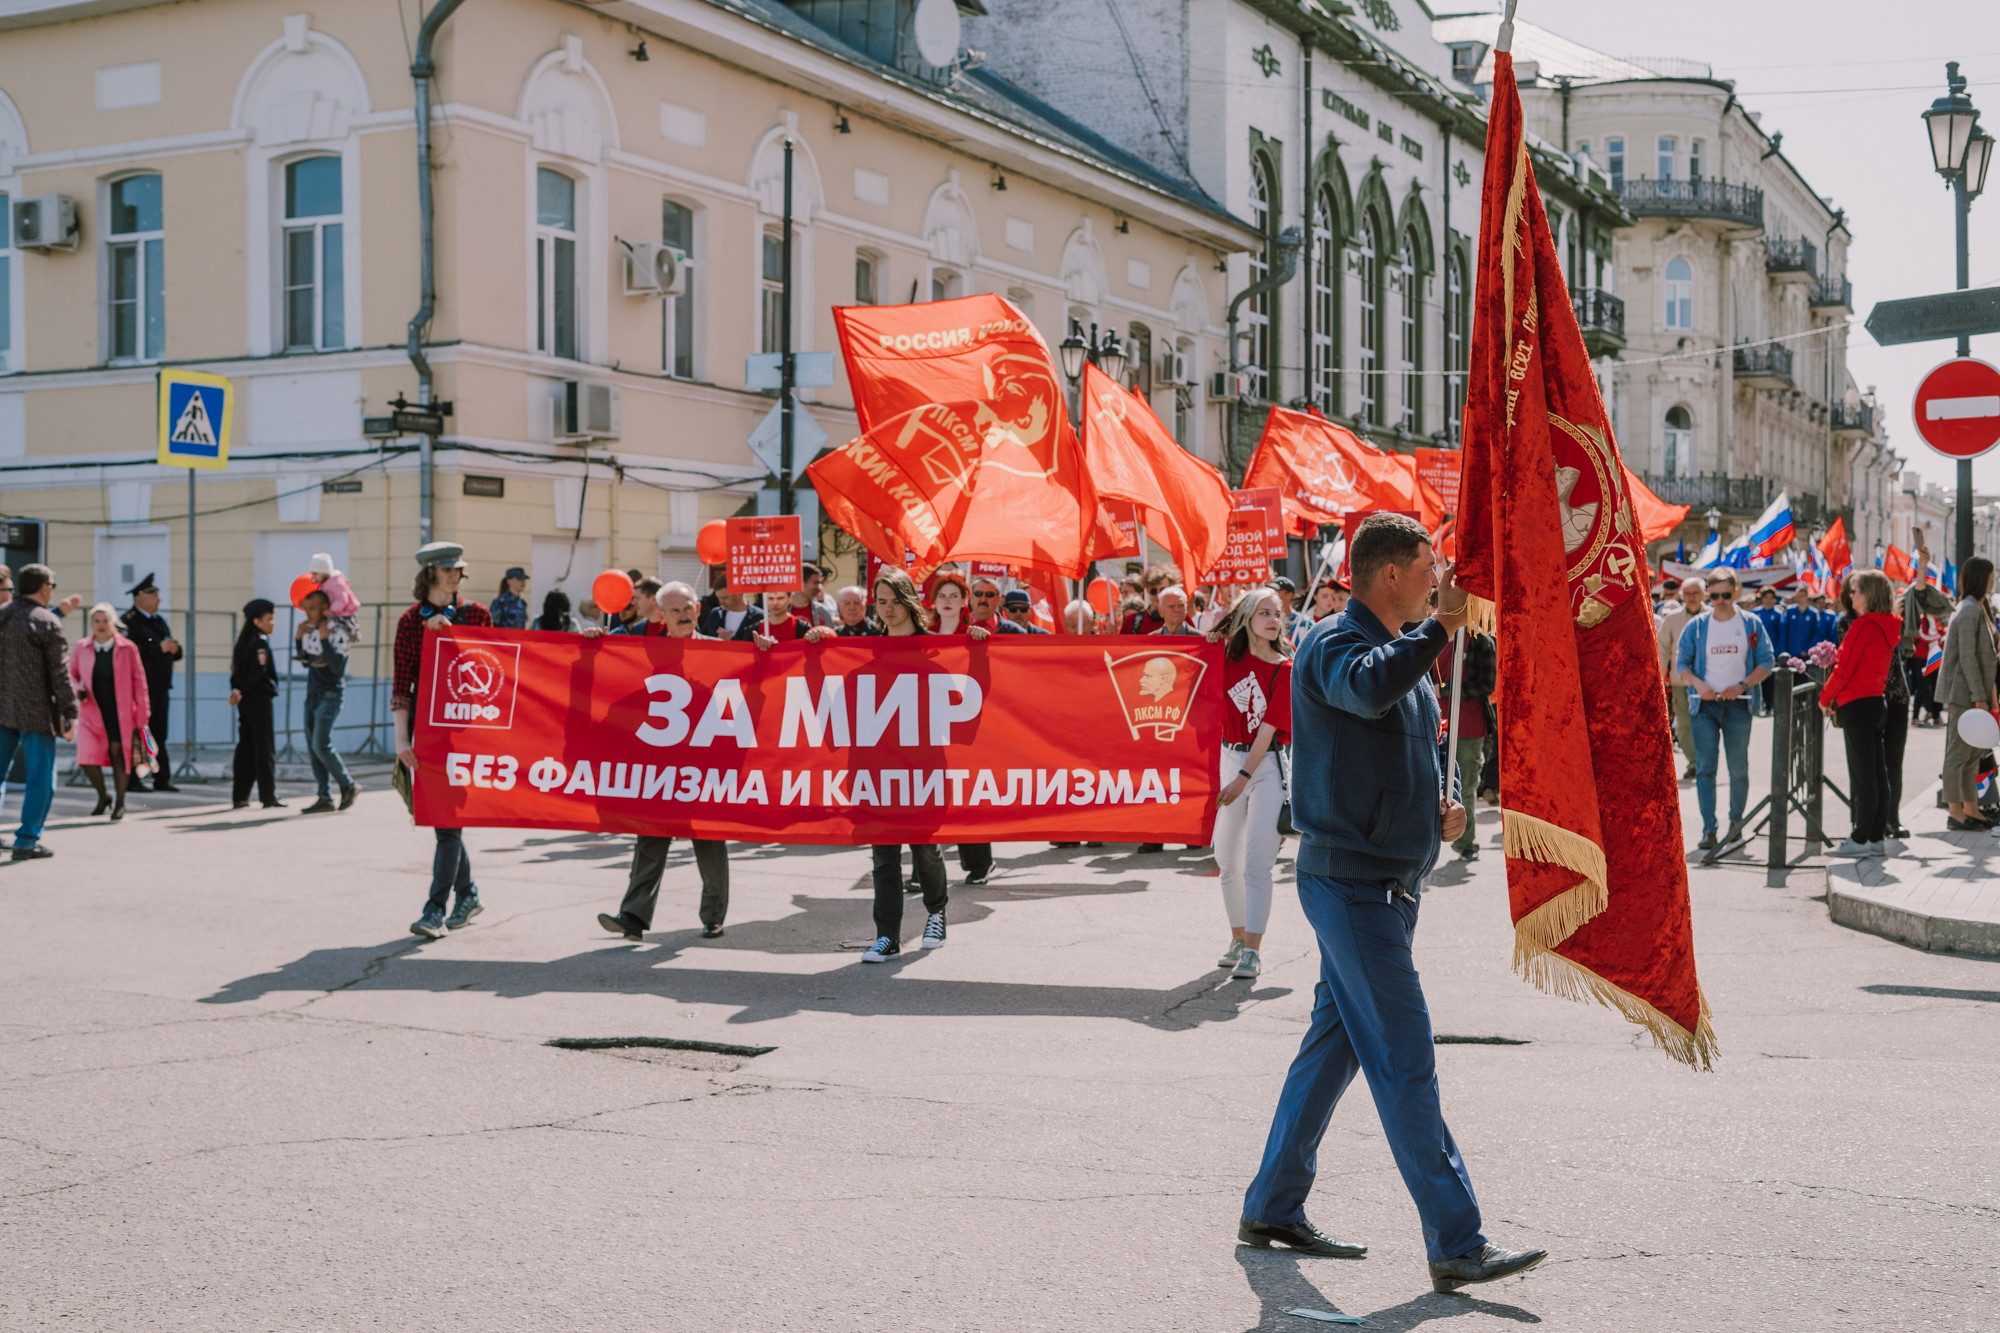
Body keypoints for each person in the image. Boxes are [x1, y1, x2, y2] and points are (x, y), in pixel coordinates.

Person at [1240, 514, 1544, 1293]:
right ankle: (1457, 1238)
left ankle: (1272, 1203)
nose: (1440, 575)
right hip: (1352, 885)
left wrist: (1438, 810)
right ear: (1390, 576)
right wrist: (1441, 627)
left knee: (1330, 1049)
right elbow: (1370, 689)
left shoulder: (1407, 656)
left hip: (1386, 882)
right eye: (1428, 565)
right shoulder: (1336, 646)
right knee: (1406, 1056)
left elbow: (1395, 750)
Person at [597, 581, 733, 941]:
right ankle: (633, 916)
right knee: (650, 838)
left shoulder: (723, 653)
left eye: (688, 607)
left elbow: (752, 687)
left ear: (698, 610)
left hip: (704, 763)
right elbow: (616, 685)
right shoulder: (645, 652)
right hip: (659, 764)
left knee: (708, 840)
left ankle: (713, 916)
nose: (684, 614)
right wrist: (594, 644)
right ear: (661, 616)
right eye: (675, 610)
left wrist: (765, 650)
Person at [392, 541, 494, 939]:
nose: (456, 574)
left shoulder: (476, 614)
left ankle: (435, 909)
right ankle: (467, 894)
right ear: (429, 573)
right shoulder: (407, 621)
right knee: (444, 820)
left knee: (447, 820)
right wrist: (403, 739)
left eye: (458, 569)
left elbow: (489, 664)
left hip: (466, 726)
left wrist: (451, 636)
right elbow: (402, 681)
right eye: (447, 568)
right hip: (426, 727)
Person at [855, 569, 949, 961]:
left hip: (924, 765)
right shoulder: (865, 649)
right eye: (881, 601)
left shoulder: (939, 648)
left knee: (925, 849)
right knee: (884, 856)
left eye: (894, 600)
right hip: (878, 767)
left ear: (908, 600)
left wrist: (978, 645)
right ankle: (887, 935)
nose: (888, 609)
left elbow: (965, 688)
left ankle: (937, 913)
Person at [1210, 586, 1291, 981]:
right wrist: (1215, 633)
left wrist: (1243, 777)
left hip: (1265, 766)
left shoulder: (1285, 668)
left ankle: (1253, 951)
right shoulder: (1226, 658)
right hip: (1229, 757)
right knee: (1226, 859)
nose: (1274, 620)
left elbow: (1267, 731)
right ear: (1246, 618)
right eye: (1264, 612)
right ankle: (1237, 938)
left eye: (1277, 613)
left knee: (1257, 863)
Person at [1673, 568, 1774, 852]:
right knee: (1706, 769)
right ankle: (1709, 828)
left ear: (1735, 592)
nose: (1719, 600)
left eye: (1725, 595)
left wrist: (1742, 685)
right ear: (1708, 594)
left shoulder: (1750, 623)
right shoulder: (1697, 626)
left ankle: (1736, 825)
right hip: (1704, 706)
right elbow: (1682, 664)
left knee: (1738, 769)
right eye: (1714, 595)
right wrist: (1698, 684)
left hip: (1738, 707)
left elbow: (1767, 661)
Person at [1821, 570, 1904, 856]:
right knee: (1878, 773)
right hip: (1875, 701)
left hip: (1857, 703)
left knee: (1863, 775)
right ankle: (1875, 837)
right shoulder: (1889, 624)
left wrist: (1825, 697)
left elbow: (1843, 668)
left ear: (1869, 594)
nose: (1850, 594)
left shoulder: (1863, 625)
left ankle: (1858, 838)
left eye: (1856, 590)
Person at [0, 565, 77, 860]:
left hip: (2, 710)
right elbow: (59, 673)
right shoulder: (46, 621)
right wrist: (71, 712)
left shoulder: (3, 614)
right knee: (41, 779)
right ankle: (27, 841)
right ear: (45, 587)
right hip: (36, 713)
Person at [68, 603, 149, 821]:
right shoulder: (81, 647)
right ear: (91, 623)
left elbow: (139, 682)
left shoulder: (127, 648)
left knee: (118, 756)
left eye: (105, 621)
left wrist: (142, 715)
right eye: (97, 621)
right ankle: (103, 796)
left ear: (113, 623)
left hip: (119, 713)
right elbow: (71, 674)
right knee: (86, 758)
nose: (101, 625)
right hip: (91, 711)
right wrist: (78, 690)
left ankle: (120, 803)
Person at [1938, 556, 1998, 831]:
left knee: (1973, 754)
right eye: (1990, 575)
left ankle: (1971, 808)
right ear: (1980, 578)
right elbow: (1968, 657)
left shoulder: (1976, 607)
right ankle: (1955, 812)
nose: (1993, 579)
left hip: (1973, 692)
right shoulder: (1970, 610)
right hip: (1965, 693)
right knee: (1958, 755)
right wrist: (1979, 695)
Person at [1433, 623, 1497, 860]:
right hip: (1436, 725)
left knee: (1466, 786)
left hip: (1469, 727)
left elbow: (1486, 685)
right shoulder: (1431, 638)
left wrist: (1445, 689)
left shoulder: (1481, 641)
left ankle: (1466, 844)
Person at [293, 588, 357, 813]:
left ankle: (348, 784)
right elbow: (305, 662)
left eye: (311, 608)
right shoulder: (312, 630)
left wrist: (324, 639)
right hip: (312, 694)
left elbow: (338, 667)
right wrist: (298, 639)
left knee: (321, 744)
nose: (307, 613)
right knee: (313, 748)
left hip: (331, 693)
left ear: (324, 609)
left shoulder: (337, 631)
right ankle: (324, 797)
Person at [118, 573, 182, 792]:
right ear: (140, 597)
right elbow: (130, 653)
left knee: (159, 734)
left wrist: (174, 648)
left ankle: (161, 779)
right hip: (140, 689)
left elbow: (174, 649)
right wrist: (159, 648)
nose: (158, 599)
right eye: (154, 594)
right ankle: (133, 781)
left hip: (161, 686)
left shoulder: (158, 621)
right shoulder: (129, 621)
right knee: (138, 733)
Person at [228, 599, 282, 810]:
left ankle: (240, 796)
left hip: (245, 700)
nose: (274, 623)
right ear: (257, 621)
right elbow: (258, 673)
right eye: (270, 619)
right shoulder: (260, 642)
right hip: (258, 698)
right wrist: (243, 690)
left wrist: (237, 690)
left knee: (246, 748)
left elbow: (237, 672)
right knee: (264, 748)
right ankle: (268, 796)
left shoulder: (244, 641)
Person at [1656, 578, 1705, 780]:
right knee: (1683, 726)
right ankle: (1695, 763)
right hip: (1680, 682)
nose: (1691, 598)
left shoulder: (1713, 615)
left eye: (1695, 593)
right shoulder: (1672, 619)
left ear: (1704, 594)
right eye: (1688, 594)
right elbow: (1662, 647)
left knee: (1706, 727)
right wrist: (1660, 676)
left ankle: (1705, 763)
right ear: (1681, 595)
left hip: (1708, 684)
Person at [1751, 588, 1785, 715]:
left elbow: (1781, 635)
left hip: (1771, 652)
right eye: (1766, 597)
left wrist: (1777, 653)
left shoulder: (1778, 614)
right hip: (1756, 652)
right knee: (1756, 680)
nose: (1768, 600)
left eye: (1771, 597)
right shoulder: (1755, 613)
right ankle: (1757, 705)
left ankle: (1769, 706)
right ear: (1762, 598)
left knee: (1769, 681)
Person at [700, 582, 766, 641]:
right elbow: (702, 640)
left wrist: (731, 639)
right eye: (718, 598)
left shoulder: (760, 617)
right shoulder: (715, 614)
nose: (720, 602)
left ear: (739, 593)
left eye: (724, 598)